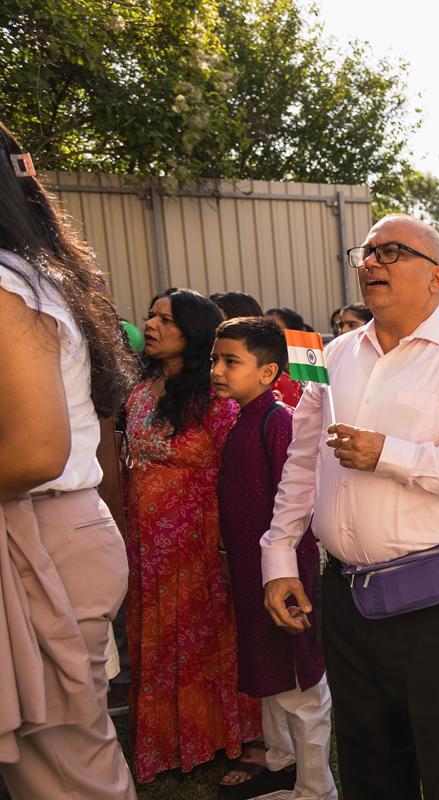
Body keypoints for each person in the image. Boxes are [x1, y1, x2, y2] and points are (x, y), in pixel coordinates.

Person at [260, 215, 439, 799]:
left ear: (436, 277)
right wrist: (278, 556)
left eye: (391, 252)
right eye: (367, 252)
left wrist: (391, 454)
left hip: (432, 592)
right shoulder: (332, 355)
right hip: (345, 591)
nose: (371, 263)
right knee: (365, 755)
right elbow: (302, 460)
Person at [0, 121, 139, 799]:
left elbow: (36, 449)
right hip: (50, 532)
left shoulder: (8, 283)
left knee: (62, 774)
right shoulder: (32, 275)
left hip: (39, 536)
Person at [124, 289, 261, 784]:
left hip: (198, 541)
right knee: (158, 636)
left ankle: (227, 736)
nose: (151, 325)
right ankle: (167, 740)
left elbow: (238, 469)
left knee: (205, 637)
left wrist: (230, 542)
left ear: (194, 332)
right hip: (146, 543)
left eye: (166, 319)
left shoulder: (213, 396)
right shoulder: (142, 391)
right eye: (151, 315)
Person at [211, 318, 335, 800]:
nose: (217, 370)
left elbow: (297, 502)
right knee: (270, 672)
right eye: (215, 360)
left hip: (286, 575)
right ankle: (283, 765)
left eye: (231, 361)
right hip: (253, 573)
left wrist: (289, 572)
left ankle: (316, 787)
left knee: (299, 682)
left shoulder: (278, 421)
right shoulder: (243, 417)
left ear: (268, 372)